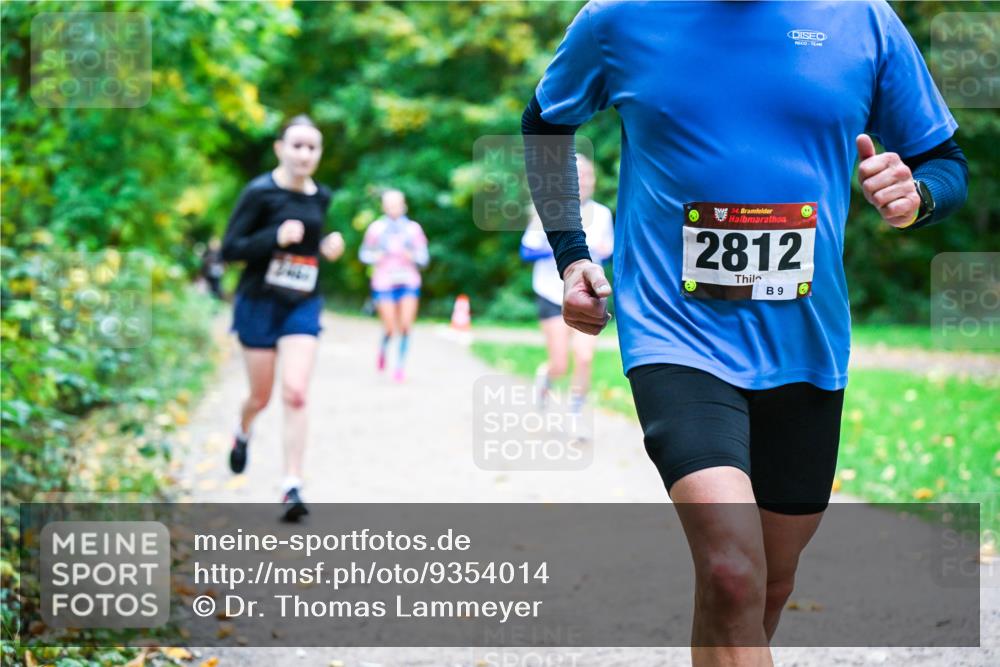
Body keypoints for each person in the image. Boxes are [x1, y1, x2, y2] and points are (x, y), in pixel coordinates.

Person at [523, 2, 968, 664]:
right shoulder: (618, 18)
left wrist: (916, 195)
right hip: (675, 332)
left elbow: (946, 164)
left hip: (807, 344)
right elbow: (545, 124)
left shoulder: (862, 20)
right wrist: (571, 252)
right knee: (733, 568)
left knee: (760, 587)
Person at [221, 114, 345, 522]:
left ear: (319, 153)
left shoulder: (320, 197)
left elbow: (307, 249)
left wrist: (325, 247)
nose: (304, 153)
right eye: (297, 145)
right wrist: (272, 238)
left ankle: (291, 484)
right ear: (280, 148)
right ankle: (243, 431)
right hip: (258, 301)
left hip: (301, 302)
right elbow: (230, 250)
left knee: (295, 391)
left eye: (312, 147)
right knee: (261, 396)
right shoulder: (259, 193)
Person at [520, 154, 613, 422]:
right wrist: (563, 250)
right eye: (577, 175)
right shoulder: (548, 209)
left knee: (584, 357)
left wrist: (604, 252)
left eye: (588, 175)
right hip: (552, 292)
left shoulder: (603, 214)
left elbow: (607, 251)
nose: (583, 180)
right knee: (560, 364)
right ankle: (546, 378)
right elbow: (526, 250)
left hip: (590, 293)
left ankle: (576, 414)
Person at [359, 189, 429, 382]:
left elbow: (424, 257)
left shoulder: (413, 229)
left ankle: (400, 367)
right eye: (389, 205)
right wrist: (375, 257)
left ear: (404, 205)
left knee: (406, 326)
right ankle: (383, 349)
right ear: (383, 206)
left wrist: (412, 257)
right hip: (384, 282)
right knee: (390, 327)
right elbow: (363, 254)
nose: (393, 208)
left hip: (408, 281)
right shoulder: (376, 229)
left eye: (396, 204)